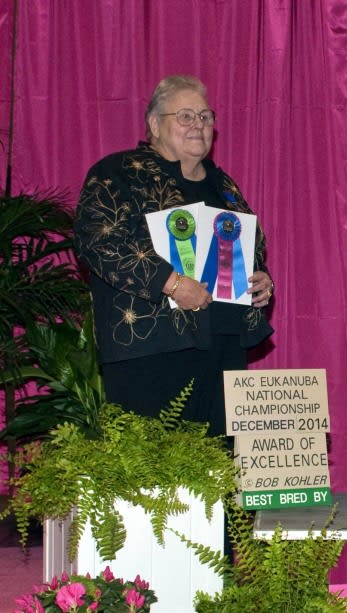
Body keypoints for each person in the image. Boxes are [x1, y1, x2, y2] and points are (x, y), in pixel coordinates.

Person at [74, 75, 274, 437]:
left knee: (219, 464)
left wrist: (260, 280)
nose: (198, 125)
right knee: (153, 467)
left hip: (224, 344)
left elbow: (251, 248)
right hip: (152, 346)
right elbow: (98, 242)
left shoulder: (224, 185)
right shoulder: (117, 173)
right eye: (185, 116)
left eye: (205, 116)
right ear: (154, 124)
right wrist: (173, 283)